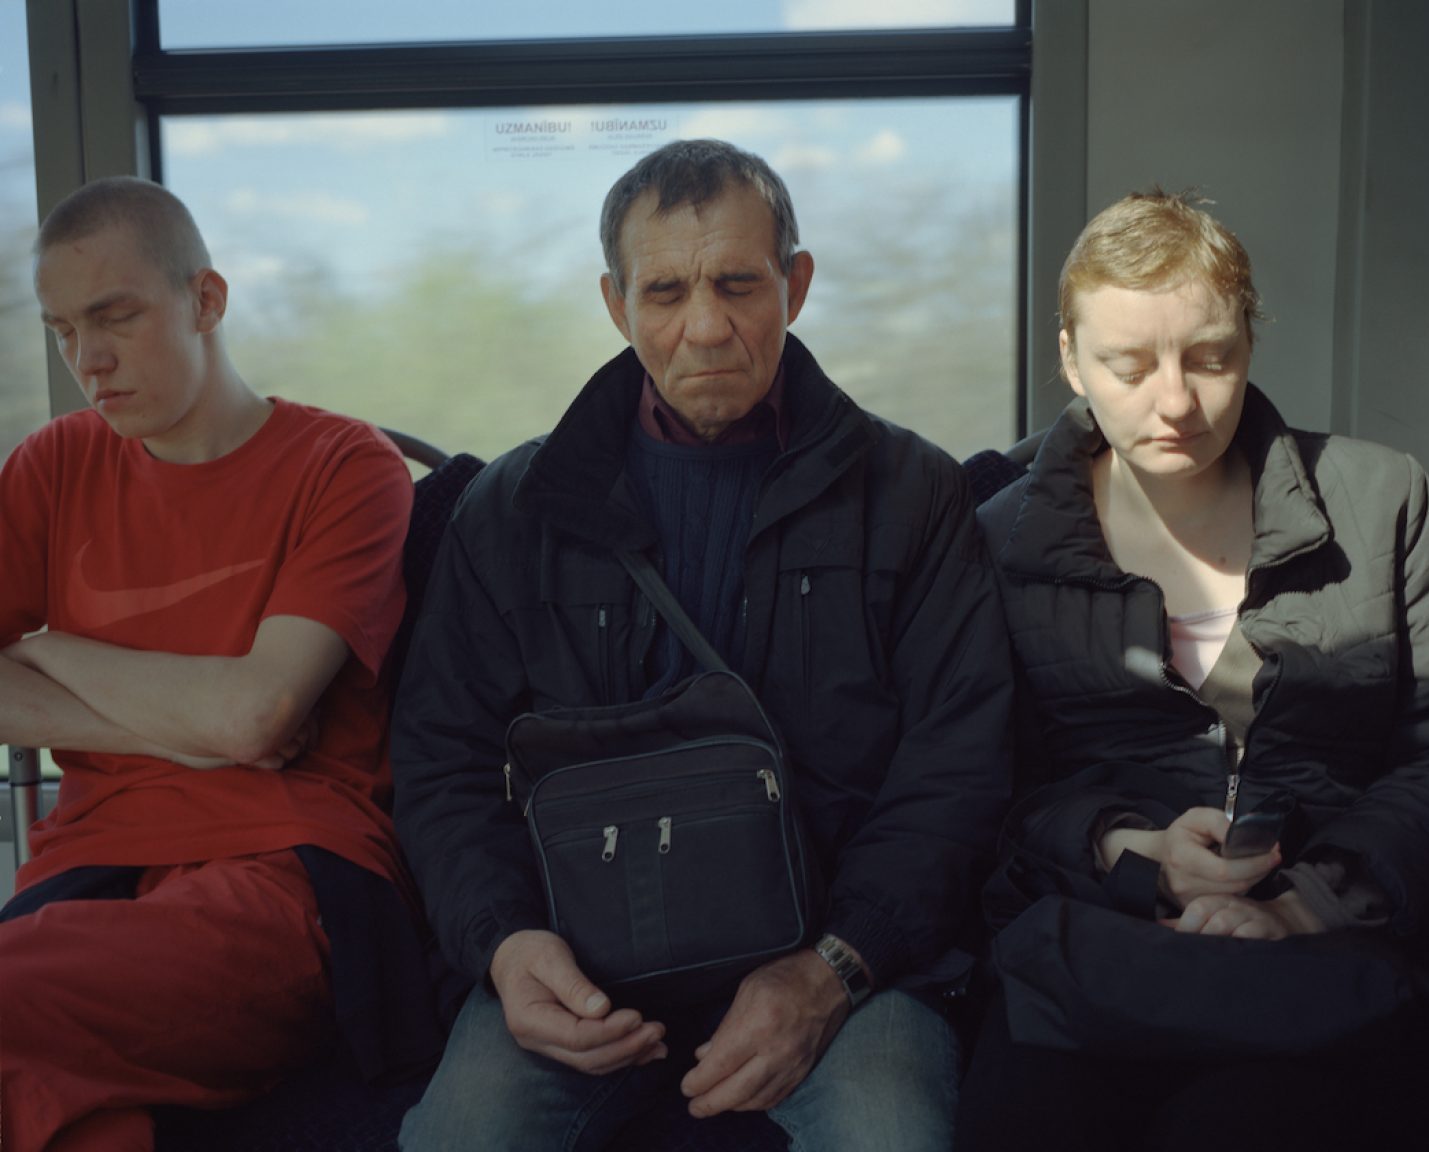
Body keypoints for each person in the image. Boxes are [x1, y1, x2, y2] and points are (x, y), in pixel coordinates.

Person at [390, 138, 1013, 1151]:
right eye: (666, 291)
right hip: (577, 968)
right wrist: (506, 948)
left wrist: (835, 971)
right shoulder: (512, 510)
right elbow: (440, 762)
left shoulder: (913, 494)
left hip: (846, 965)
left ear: (796, 285)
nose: (706, 327)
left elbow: (960, 766)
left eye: (738, 284)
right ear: (614, 304)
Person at [961, 190, 1429, 1149]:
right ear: (1069, 359)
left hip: (1325, 957)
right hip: (1093, 954)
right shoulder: (996, 539)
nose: (1174, 401)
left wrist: (1309, 900)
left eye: (1210, 358)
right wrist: (1122, 848)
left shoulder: (1382, 499)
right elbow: (980, 785)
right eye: (1127, 366)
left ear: (1250, 344)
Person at [0, 177, 420, 1152]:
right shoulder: (53, 467)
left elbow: (253, 721)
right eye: (63, 330)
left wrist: (54, 649)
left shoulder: (344, 466)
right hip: (86, 866)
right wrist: (161, 731)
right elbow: (218, 725)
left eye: (116, 318)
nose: (87, 362)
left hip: (283, 873)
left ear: (207, 300)